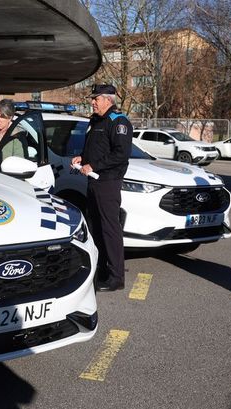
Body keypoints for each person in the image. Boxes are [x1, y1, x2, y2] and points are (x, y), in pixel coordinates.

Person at [71, 84, 132, 292]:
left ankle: (116, 277)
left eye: (96, 98)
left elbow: (120, 154)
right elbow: (96, 148)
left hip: (108, 182)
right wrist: (82, 158)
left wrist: (94, 165)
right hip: (93, 182)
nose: (92, 102)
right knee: (95, 227)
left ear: (108, 100)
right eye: (93, 98)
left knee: (109, 228)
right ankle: (102, 271)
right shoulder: (96, 120)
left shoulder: (118, 121)